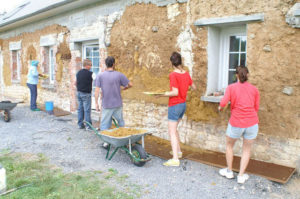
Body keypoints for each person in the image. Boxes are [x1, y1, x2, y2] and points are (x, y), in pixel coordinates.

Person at [218, 66, 260, 184]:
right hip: (252, 123)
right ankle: (241, 176)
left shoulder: (231, 88)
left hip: (236, 123)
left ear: (236, 75)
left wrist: (220, 108)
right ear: (248, 75)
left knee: (229, 146)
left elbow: (223, 103)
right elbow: (256, 108)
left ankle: (229, 171)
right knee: (246, 149)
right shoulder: (254, 89)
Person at [160, 52, 196, 167]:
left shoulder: (173, 75)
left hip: (174, 105)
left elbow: (175, 92)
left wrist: (162, 94)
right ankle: (178, 152)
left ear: (172, 63)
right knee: (175, 129)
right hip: (182, 105)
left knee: (171, 131)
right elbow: (194, 87)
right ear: (180, 61)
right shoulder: (186, 73)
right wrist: (185, 87)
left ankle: (175, 159)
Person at [94, 56, 132, 137]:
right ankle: (124, 138)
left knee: (104, 124)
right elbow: (130, 84)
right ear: (114, 64)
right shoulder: (119, 75)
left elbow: (96, 91)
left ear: (105, 64)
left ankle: (106, 142)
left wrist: (96, 104)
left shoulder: (100, 76)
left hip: (107, 104)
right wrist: (125, 88)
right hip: (118, 104)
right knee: (121, 122)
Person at [75, 59, 93, 130]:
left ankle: (80, 124)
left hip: (79, 93)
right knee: (87, 110)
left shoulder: (78, 73)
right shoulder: (90, 74)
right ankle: (88, 126)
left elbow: (75, 83)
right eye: (90, 65)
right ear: (86, 65)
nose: (91, 66)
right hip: (86, 94)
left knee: (80, 109)